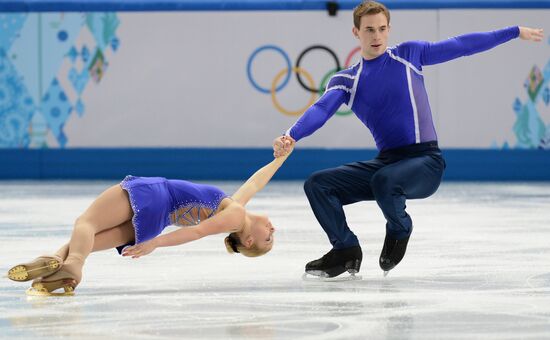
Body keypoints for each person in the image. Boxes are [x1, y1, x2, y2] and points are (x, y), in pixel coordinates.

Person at [273, 0, 544, 278]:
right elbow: (321, 109)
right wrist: (291, 136)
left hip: (426, 162)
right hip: (388, 163)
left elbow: (462, 45)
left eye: (381, 29)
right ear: (356, 33)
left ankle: (400, 228)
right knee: (318, 185)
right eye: (369, 30)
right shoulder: (347, 80)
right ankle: (345, 249)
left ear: (389, 29)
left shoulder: (408, 56)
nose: (376, 36)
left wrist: (513, 31)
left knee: (384, 180)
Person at [7, 143, 294, 295]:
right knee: (86, 242)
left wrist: (156, 243)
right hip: (156, 219)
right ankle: (56, 264)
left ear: (248, 240)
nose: (273, 228)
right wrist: (280, 159)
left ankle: (72, 267)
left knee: (86, 224)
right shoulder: (236, 210)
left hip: (157, 195)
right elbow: (256, 183)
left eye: (269, 238)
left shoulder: (233, 216)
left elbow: (196, 233)